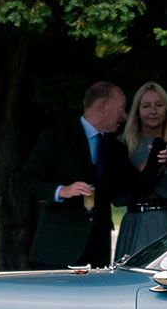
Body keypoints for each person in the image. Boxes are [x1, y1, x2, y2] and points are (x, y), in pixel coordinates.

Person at [20, 81, 135, 268]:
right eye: (121, 108)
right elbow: (25, 182)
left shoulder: (115, 148)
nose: (124, 115)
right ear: (103, 106)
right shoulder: (57, 136)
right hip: (57, 249)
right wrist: (61, 191)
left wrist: (156, 161)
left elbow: (132, 187)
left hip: (97, 250)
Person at [114, 82, 167, 259]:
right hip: (135, 222)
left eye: (159, 105)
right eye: (146, 106)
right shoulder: (124, 145)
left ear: (166, 109)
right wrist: (147, 166)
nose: (153, 111)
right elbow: (118, 196)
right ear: (137, 111)